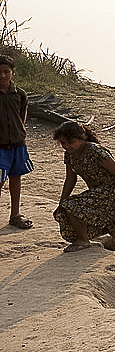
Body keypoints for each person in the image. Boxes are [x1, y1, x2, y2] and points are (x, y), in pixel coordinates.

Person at [53, 121, 115, 256]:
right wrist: (62, 200)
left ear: (81, 138)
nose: (66, 146)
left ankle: (83, 240)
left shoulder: (96, 151)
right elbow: (71, 179)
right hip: (98, 192)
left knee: (72, 206)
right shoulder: (70, 154)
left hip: (112, 193)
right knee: (113, 227)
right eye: (62, 143)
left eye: (69, 142)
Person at [0, 55, 34, 230]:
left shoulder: (19, 94)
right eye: (0, 72)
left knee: (15, 178)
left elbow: (22, 118)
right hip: (0, 146)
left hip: (17, 144)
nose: (3, 76)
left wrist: (19, 134)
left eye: (7, 72)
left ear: (13, 72)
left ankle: (15, 214)